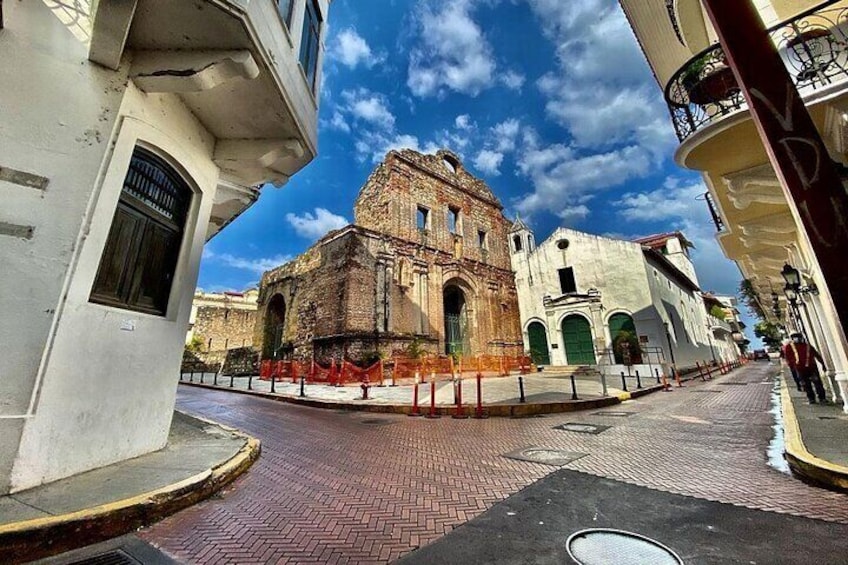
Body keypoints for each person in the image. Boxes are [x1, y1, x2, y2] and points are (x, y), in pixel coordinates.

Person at [784, 333, 827, 404]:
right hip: (800, 369)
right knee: (806, 384)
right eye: (795, 338)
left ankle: (822, 398)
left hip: (812, 367)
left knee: (817, 383)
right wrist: (793, 367)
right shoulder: (789, 347)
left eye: (798, 337)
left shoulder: (807, 346)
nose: (797, 339)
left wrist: (823, 364)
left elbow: (816, 355)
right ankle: (811, 399)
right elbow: (788, 358)